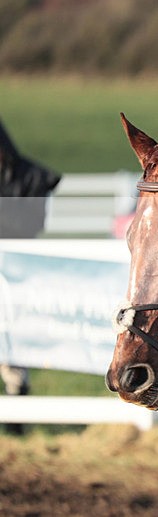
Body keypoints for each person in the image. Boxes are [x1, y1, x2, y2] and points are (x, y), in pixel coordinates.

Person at [0, 116, 61, 435]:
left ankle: (15, 418)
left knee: (12, 345)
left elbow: (29, 226)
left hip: (13, 275)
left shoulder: (29, 179)